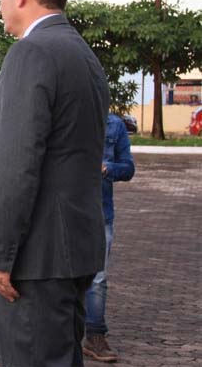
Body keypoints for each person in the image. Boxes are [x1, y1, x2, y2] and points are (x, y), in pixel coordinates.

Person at [0, 0, 109, 367]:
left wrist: (1, 255)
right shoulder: (83, 54)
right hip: (75, 249)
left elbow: (16, 165)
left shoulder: (31, 53)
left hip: (36, 256)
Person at [83, 112, 135, 362]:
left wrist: (106, 167)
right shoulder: (62, 115)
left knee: (97, 278)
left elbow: (128, 168)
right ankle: (61, 335)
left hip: (100, 214)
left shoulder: (114, 125)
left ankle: (94, 336)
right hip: (61, 212)